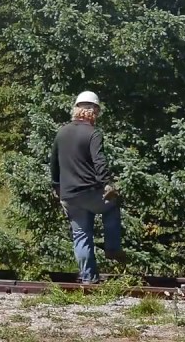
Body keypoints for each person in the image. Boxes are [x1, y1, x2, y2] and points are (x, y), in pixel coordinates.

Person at [51, 90, 123, 284]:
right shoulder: (93, 133)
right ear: (94, 112)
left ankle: (88, 279)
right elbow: (99, 162)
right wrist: (107, 183)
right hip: (90, 193)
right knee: (112, 206)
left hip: (68, 196)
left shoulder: (62, 132)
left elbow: (54, 164)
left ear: (76, 109)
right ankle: (112, 247)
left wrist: (56, 186)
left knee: (81, 235)